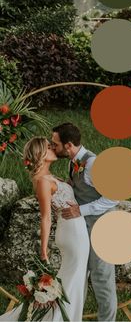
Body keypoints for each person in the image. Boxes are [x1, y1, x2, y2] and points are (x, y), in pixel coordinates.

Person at [0, 137, 90, 322]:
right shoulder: (42, 181)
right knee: (74, 280)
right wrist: (43, 250)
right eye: (48, 147)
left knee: (73, 279)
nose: (53, 149)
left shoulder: (51, 177)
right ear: (40, 154)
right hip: (72, 232)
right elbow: (46, 217)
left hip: (76, 230)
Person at [51, 122, 118, 322]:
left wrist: (80, 210)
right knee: (81, 274)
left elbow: (113, 197)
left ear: (68, 145)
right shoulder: (74, 162)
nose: (53, 147)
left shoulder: (93, 163)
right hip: (84, 228)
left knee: (102, 278)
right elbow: (81, 187)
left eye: (55, 144)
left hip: (102, 227)